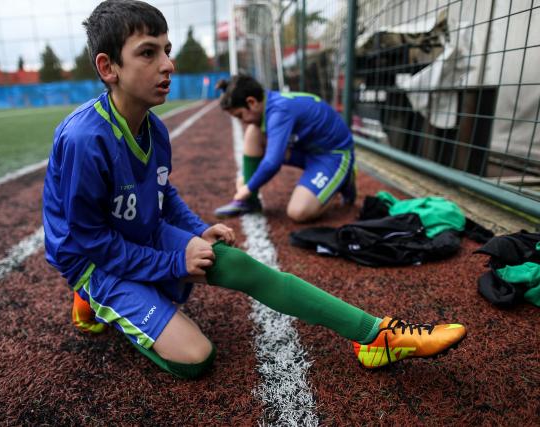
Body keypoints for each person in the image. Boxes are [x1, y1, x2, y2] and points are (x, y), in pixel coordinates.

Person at [42, 0, 466, 380]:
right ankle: (90, 296)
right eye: (148, 53)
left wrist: (197, 228)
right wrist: (172, 261)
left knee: (237, 264)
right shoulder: (85, 140)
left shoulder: (154, 127)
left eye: (167, 50)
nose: (168, 64)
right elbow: (88, 240)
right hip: (95, 260)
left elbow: (162, 193)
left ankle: (375, 336)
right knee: (197, 358)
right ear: (107, 67)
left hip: (136, 236)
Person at [213, 75, 357, 222]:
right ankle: (250, 203)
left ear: (252, 102)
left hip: (332, 155)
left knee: (298, 212)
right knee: (253, 131)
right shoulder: (270, 102)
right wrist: (247, 175)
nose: (242, 121)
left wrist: (248, 188)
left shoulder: (279, 111)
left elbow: (272, 162)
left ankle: (343, 181)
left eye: (240, 115)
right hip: (306, 149)